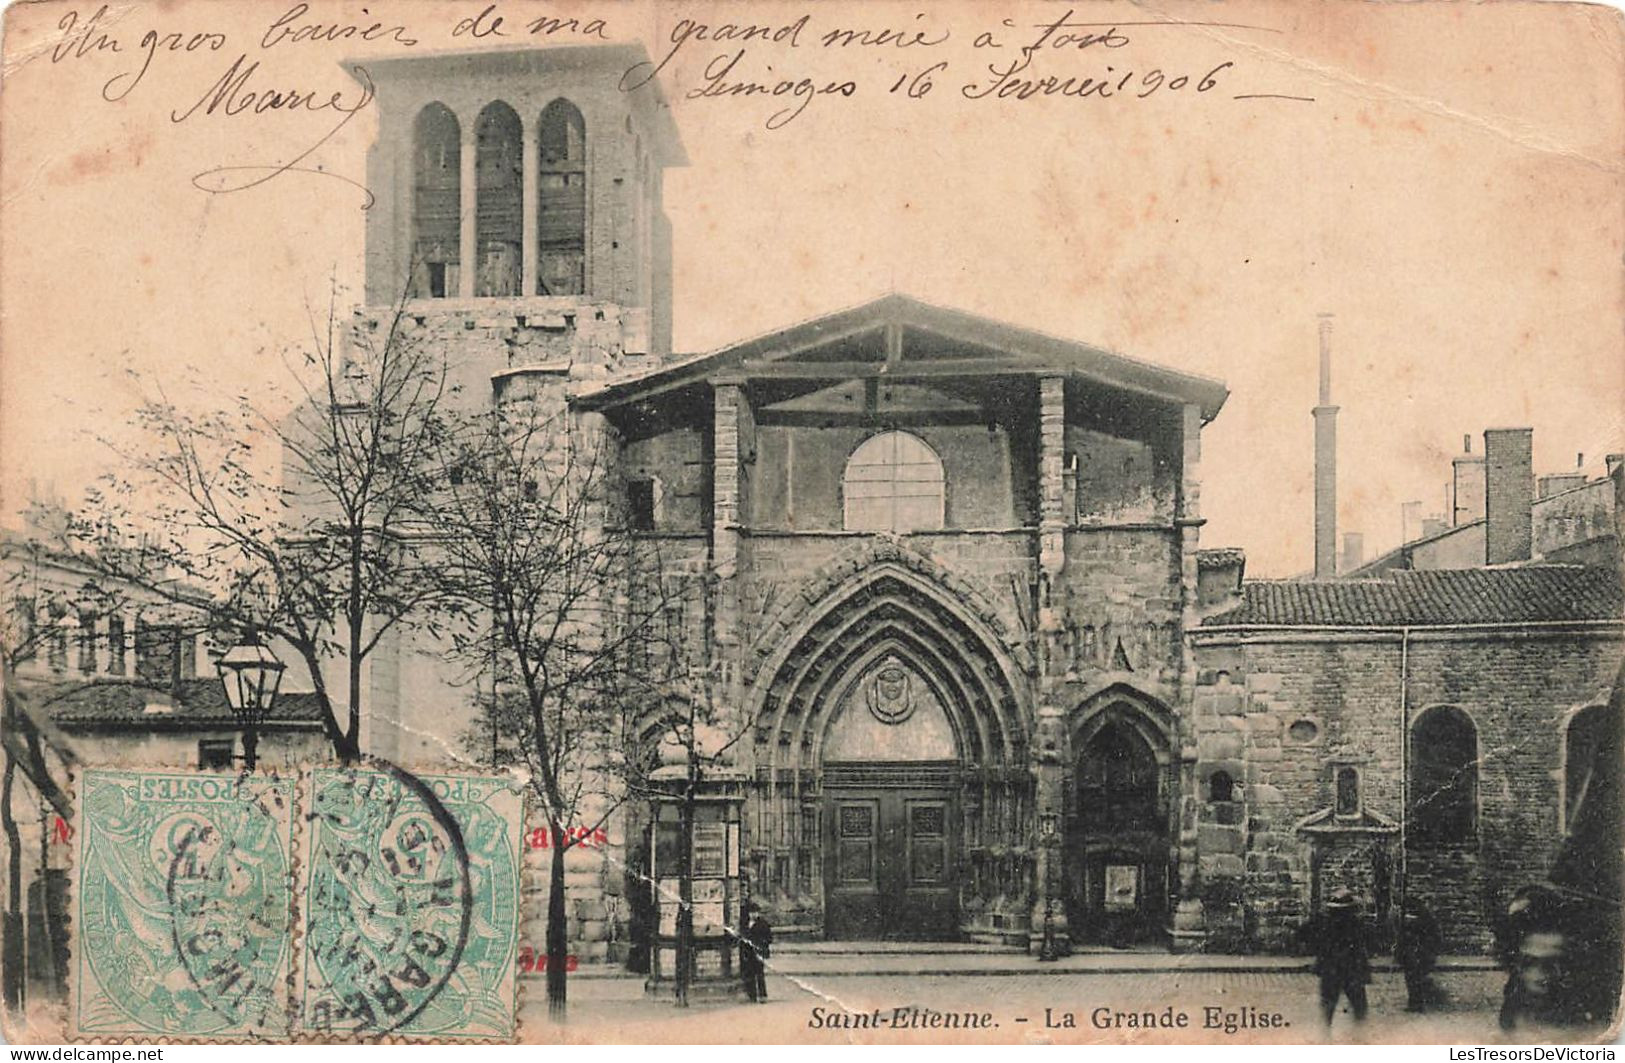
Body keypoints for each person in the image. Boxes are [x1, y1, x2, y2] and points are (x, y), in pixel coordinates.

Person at [1299, 888, 1375, 1025]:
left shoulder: (1324, 921)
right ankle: (1360, 1036)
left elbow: (1303, 933)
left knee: (1328, 1007)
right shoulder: (1355, 922)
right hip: (1351, 969)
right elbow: (1370, 940)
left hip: (1331, 969)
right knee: (1359, 1007)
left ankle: (1326, 1036)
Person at [1395, 900, 1442, 1012]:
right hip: (1412, 953)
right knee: (1411, 978)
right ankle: (1414, 1002)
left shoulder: (1425, 921)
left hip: (1419, 953)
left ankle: (1418, 1003)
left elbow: (1432, 937)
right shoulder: (1420, 920)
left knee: (1415, 978)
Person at [741, 911, 773, 1003]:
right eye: (751, 912)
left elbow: (769, 938)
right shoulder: (746, 924)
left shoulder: (763, 924)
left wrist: (762, 946)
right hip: (749, 953)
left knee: (759, 974)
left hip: (759, 952)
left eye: (755, 912)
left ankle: (762, 995)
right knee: (750, 974)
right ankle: (752, 995)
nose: (753, 914)